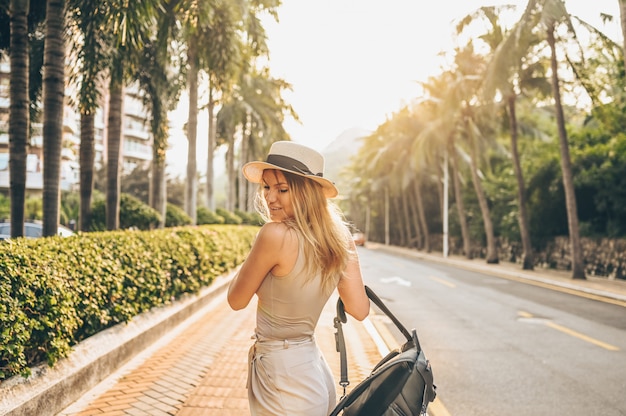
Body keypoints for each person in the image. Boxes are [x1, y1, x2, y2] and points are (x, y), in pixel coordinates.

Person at [227, 141, 370, 416]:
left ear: (306, 193)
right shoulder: (341, 241)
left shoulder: (273, 236)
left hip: (282, 377)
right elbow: (360, 310)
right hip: (315, 371)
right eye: (267, 187)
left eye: (282, 189)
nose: (270, 198)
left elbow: (236, 300)